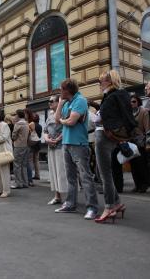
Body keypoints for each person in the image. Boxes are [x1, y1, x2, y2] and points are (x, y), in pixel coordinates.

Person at [93, 70, 136, 223]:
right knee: (105, 173)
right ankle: (117, 204)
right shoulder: (122, 94)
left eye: (101, 81)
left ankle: (109, 206)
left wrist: (96, 116)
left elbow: (100, 118)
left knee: (104, 175)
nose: (100, 84)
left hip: (103, 136)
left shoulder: (110, 97)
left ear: (109, 81)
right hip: (114, 137)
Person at [54, 78, 99, 220]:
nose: (59, 91)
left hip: (79, 144)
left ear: (67, 90)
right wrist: (60, 104)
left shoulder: (80, 100)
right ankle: (70, 204)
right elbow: (57, 120)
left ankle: (92, 207)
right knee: (71, 177)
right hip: (67, 143)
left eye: (61, 89)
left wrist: (63, 120)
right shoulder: (67, 102)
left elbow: (71, 121)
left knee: (85, 177)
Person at [44, 95, 67, 205]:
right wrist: (46, 139)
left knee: (62, 172)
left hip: (61, 146)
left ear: (59, 102)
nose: (49, 103)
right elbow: (45, 130)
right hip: (51, 147)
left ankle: (68, 197)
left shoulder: (64, 112)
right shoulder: (49, 115)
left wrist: (57, 139)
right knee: (54, 172)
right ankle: (57, 196)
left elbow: (66, 128)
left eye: (51, 101)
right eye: (49, 101)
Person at [130, 94, 150, 193]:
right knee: (133, 164)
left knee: (141, 164)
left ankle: (144, 185)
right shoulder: (128, 112)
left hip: (141, 140)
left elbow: (147, 128)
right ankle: (137, 185)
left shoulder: (143, 112)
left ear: (138, 102)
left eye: (134, 101)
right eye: (130, 102)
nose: (131, 103)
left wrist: (148, 143)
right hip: (130, 141)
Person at [11, 109, 30, 189]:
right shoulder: (26, 123)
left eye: (15, 115)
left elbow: (13, 136)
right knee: (24, 165)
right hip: (26, 145)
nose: (15, 116)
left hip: (18, 146)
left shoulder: (18, 124)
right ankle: (25, 182)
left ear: (18, 115)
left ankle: (18, 183)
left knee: (16, 165)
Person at [24, 108, 35, 186]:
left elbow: (31, 132)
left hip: (28, 144)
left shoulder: (31, 123)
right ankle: (27, 179)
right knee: (25, 162)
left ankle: (30, 180)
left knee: (28, 162)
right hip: (24, 144)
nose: (24, 115)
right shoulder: (25, 122)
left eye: (25, 113)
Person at [32, 113, 42, 180]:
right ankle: (37, 174)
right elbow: (40, 136)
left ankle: (33, 175)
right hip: (38, 143)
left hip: (32, 144)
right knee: (36, 160)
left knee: (31, 160)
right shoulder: (40, 126)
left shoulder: (32, 125)